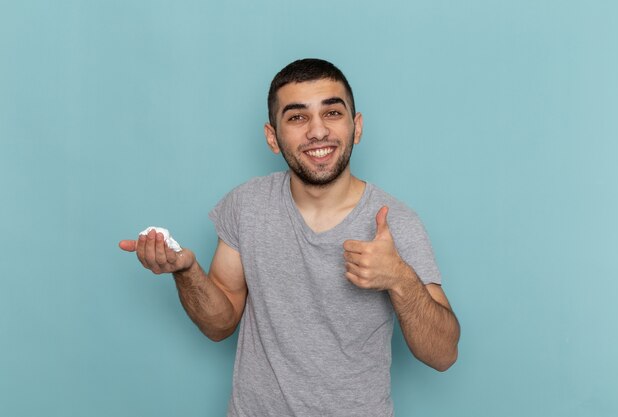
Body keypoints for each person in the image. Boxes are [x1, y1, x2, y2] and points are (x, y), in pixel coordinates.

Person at [120, 58, 460, 417]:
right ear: (272, 137)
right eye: (297, 117)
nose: (317, 132)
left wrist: (399, 278)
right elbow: (220, 324)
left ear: (356, 127)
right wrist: (186, 272)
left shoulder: (394, 223)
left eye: (332, 113)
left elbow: (443, 355)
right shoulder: (246, 206)